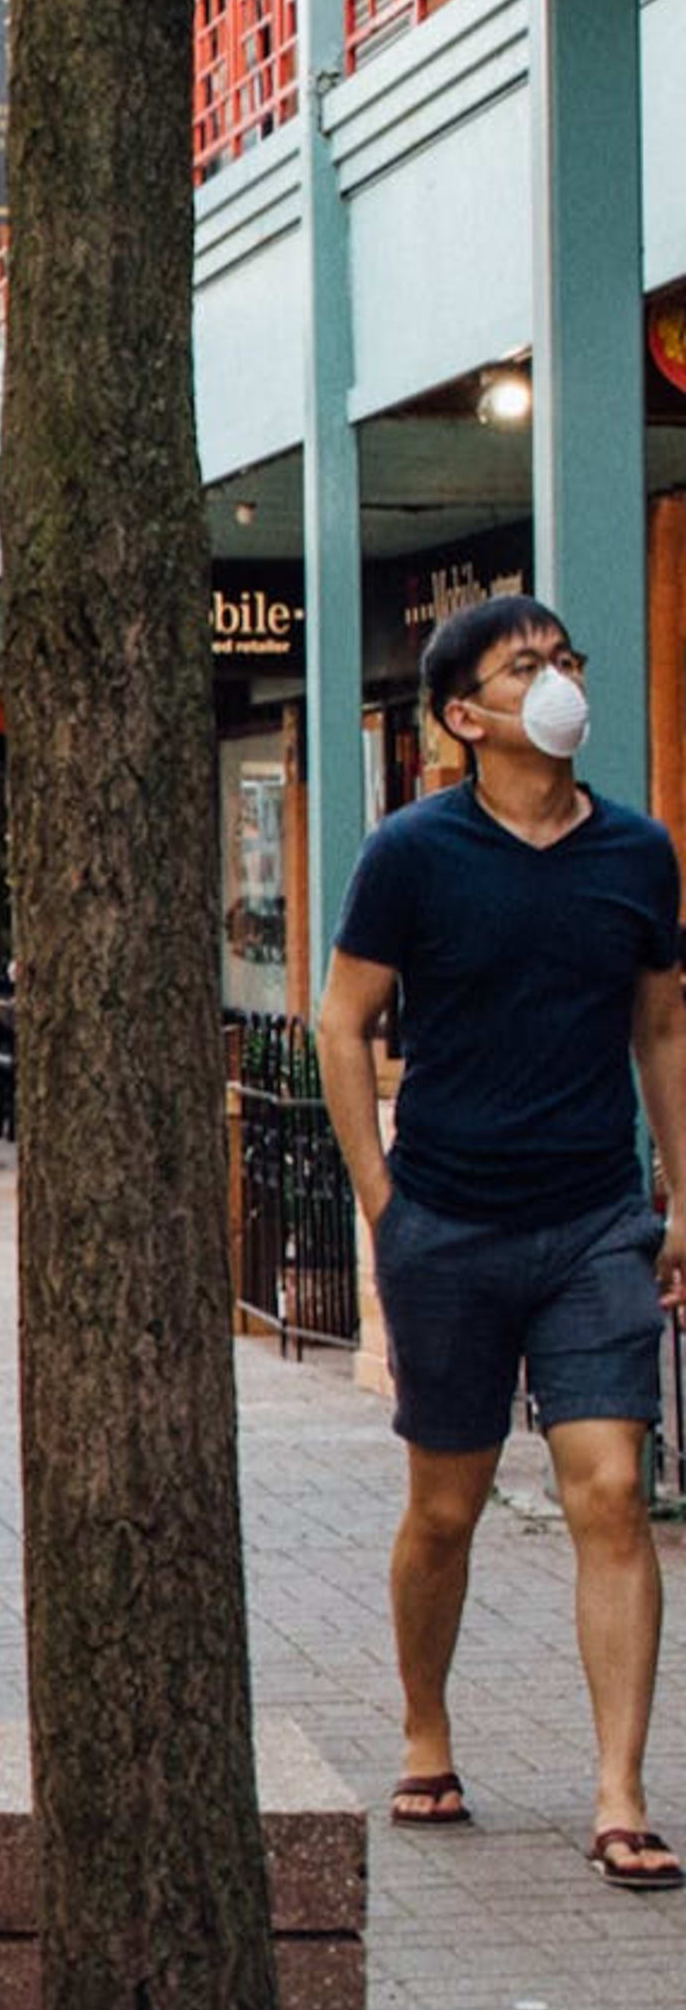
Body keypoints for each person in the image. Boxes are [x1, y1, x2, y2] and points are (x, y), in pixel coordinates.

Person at [313, 593, 686, 1893]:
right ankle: (427, 1727)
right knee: (448, 1507)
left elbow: (662, 1032)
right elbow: (341, 1018)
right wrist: (381, 1200)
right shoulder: (414, 853)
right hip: (450, 1223)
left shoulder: (638, 855)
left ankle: (620, 1792)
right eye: (528, 666)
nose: (560, 679)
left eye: (568, 659)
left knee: (607, 1491)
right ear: (465, 716)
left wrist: (677, 1197)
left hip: (594, 1222)